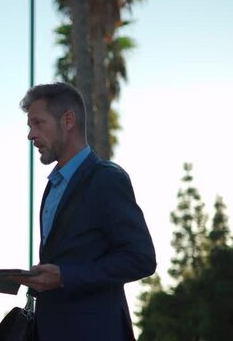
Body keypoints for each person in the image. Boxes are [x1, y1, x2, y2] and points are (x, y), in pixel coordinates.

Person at [10, 82, 156, 340]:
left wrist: (65, 276)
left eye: (38, 123)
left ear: (68, 120)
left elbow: (141, 258)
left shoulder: (107, 179)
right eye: (29, 126)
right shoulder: (52, 186)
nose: (30, 135)